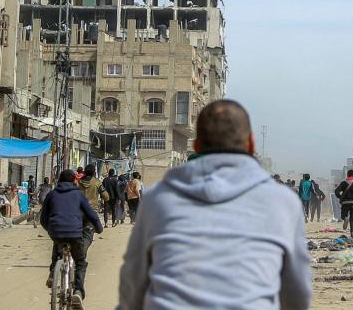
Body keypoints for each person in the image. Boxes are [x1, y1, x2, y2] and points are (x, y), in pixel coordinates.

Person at [116, 99, 312, 310]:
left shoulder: (159, 198)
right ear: (251, 144)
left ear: (197, 145)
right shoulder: (282, 202)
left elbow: (132, 287)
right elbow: (297, 295)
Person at [41, 168, 103, 305]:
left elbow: (43, 219)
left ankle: (53, 274)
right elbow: (91, 214)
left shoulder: (52, 195)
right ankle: (78, 292)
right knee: (80, 262)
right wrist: (99, 228)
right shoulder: (79, 195)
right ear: (74, 180)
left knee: (57, 246)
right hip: (75, 233)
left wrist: (50, 229)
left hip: (56, 231)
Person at [334, 170, 353, 239]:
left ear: (347, 175)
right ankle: (352, 232)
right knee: (352, 219)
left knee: (343, 215)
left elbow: (336, 191)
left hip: (345, 203)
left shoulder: (343, 183)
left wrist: (340, 197)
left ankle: (345, 218)